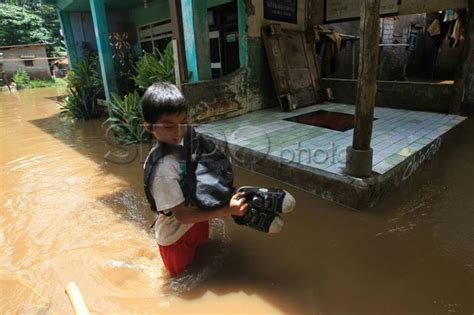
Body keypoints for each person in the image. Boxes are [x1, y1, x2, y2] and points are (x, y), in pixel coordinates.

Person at [142, 82, 250, 277]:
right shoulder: (163, 172)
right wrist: (227, 210)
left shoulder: (185, 142)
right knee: (180, 282)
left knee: (204, 258)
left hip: (197, 220)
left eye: (183, 122)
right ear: (150, 127)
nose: (178, 132)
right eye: (169, 126)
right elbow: (182, 216)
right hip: (174, 236)